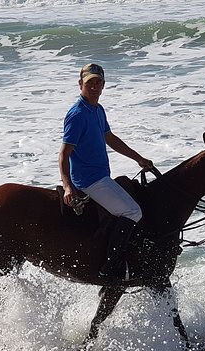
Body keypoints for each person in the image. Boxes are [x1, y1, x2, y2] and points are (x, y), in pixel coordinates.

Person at [59, 63, 154, 282]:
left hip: (101, 176)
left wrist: (138, 158)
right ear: (80, 84)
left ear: (103, 85)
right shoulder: (78, 114)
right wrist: (67, 187)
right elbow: (64, 154)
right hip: (88, 180)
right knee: (133, 212)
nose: (94, 87)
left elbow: (110, 139)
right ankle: (111, 267)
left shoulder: (97, 109)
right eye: (90, 82)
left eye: (98, 82)